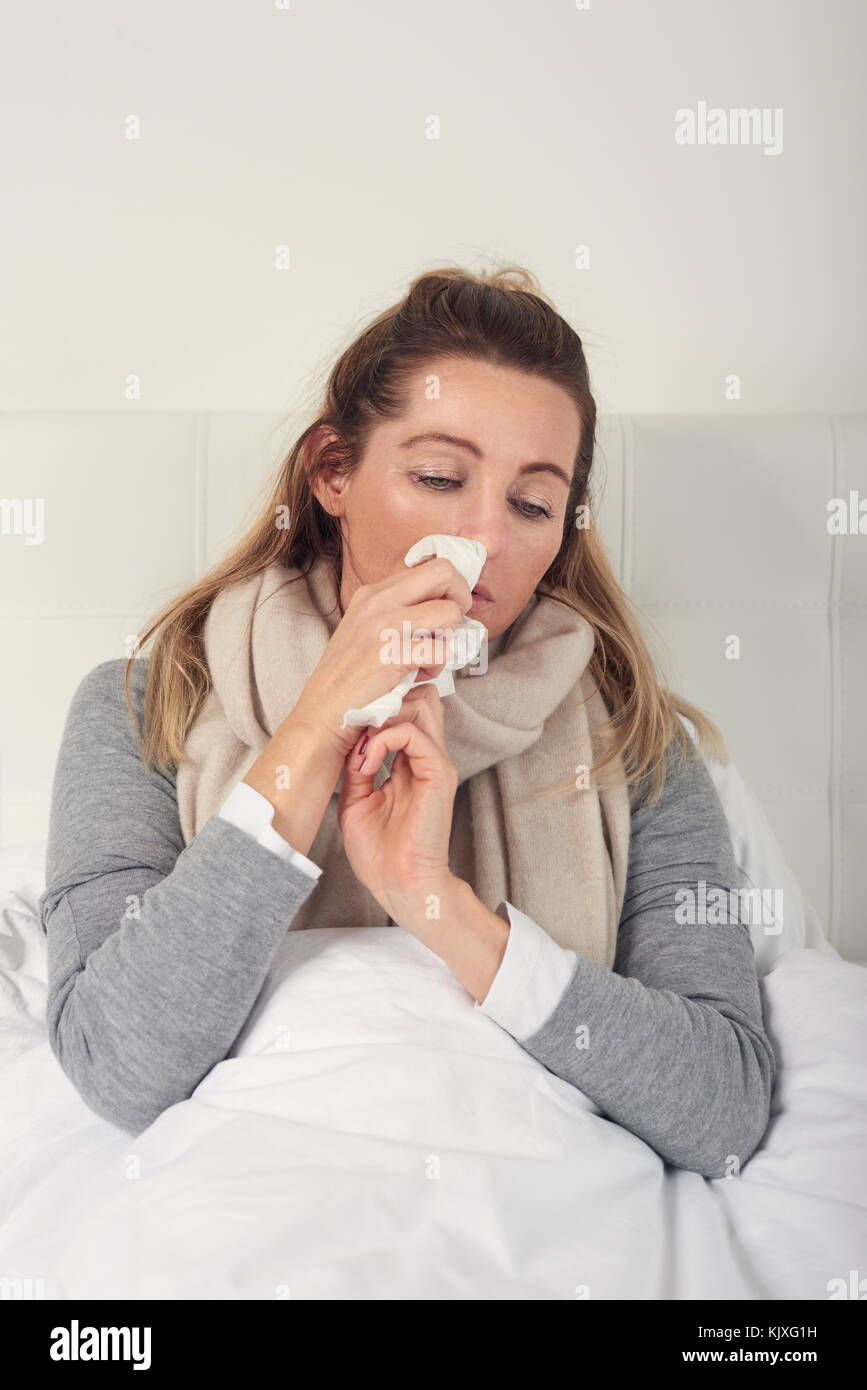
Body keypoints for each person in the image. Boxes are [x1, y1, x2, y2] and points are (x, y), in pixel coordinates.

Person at [40, 264, 775, 1176]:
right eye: (437, 477)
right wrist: (313, 731)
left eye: (532, 504)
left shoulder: (633, 744)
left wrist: (438, 903)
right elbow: (119, 1063)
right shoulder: (146, 708)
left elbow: (721, 1108)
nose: (484, 542)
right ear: (331, 473)